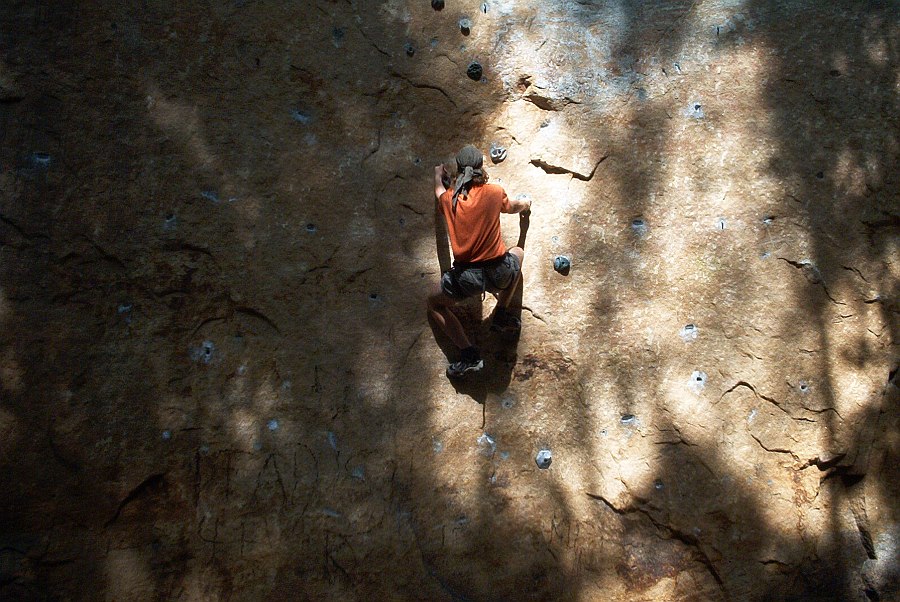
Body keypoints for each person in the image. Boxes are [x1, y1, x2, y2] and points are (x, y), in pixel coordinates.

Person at [427, 144, 532, 378]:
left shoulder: (449, 200)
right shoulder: (494, 192)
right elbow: (514, 206)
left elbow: (438, 194)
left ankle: (469, 355)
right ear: (481, 168)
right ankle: (502, 313)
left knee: (434, 303)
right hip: (499, 272)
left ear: (458, 169)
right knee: (519, 253)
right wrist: (526, 205)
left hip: (466, 279)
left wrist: (437, 177)